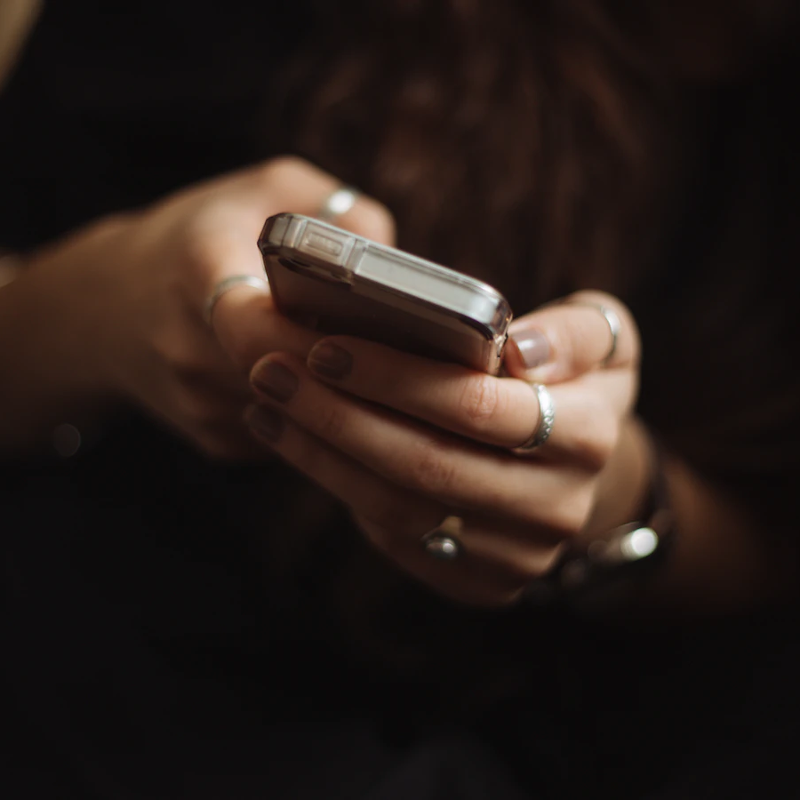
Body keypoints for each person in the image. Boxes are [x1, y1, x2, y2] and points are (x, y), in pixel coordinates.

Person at [1, 1, 799, 797]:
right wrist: (102, 302)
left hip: (552, 729)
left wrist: (620, 496)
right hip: (97, 640)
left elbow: (768, 569)